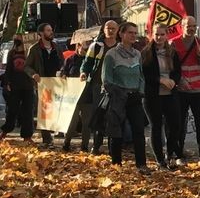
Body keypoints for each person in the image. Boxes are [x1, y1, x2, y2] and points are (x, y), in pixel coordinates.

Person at [102, 21, 150, 171]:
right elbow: (106, 79)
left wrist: (140, 91)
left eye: (135, 33)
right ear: (121, 34)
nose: (133, 36)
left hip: (134, 97)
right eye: (130, 32)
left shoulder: (137, 54)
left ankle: (141, 164)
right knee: (117, 132)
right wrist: (118, 92)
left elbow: (142, 76)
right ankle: (116, 164)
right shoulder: (111, 55)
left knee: (138, 131)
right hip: (118, 97)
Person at [172, 16, 200, 167]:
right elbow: (171, 68)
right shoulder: (174, 43)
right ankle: (178, 154)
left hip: (198, 90)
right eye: (188, 26)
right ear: (181, 27)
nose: (191, 28)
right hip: (181, 91)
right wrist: (178, 81)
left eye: (194, 26)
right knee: (179, 124)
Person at [142, 22, 182, 168]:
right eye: (156, 34)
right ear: (152, 34)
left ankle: (170, 153)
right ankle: (160, 159)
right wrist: (160, 80)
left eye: (162, 34)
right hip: (153, 95)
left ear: (167, 35)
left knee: (175, 125)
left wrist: (173, 81)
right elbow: (145, 74)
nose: (159, 37)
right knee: (156, 126)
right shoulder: (146, 52)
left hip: (170, 93)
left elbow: (178, 71)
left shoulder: (172, 52)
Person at [77, 19, 119, 154]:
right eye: (108, 28)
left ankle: (114, 146)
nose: (111, 31)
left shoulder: (120, 47)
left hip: (116, 86)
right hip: (98, 85)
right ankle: (96, 145)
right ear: (104, 30)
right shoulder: (96, 46)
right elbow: (87, 62)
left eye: (113, 28)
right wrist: (83, 72)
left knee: (114, 115)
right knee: (99, 115)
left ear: (117, 30)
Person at [26, 23, 63, 147]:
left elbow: (62, 63)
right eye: (48, 30)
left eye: (51, 30)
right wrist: (33, 75)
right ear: (41, 33)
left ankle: (57, 131)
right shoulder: (35, 49)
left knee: (56, 109)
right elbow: (27, 66)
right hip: (42, 84)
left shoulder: (56, 47)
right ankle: (47, 138)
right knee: (44, 111)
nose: (51, 32)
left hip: (56, 83)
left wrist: (62, 72)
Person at [0, 38, 34, 141]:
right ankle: (5, 130)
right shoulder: (11, 53)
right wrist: (7, 83)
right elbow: (8, 69)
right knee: (12, 110)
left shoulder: (29, 53)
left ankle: (27, 135)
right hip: (15, 86)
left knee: (28, 111)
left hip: (28, 86)